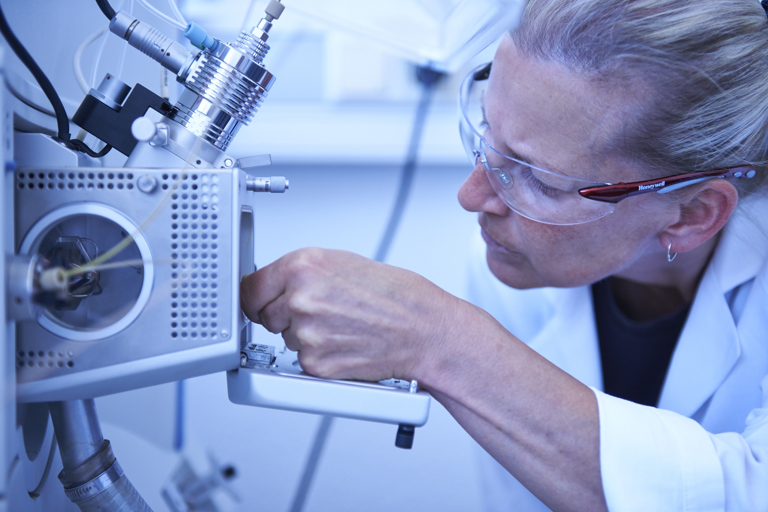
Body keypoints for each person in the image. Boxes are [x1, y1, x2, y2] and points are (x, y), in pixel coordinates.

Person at [240, 0, 768, 510]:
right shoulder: (514, 259)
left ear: (693, 214)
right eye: (487, 134)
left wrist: (442, 341)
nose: (472, 198)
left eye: (539, 179)